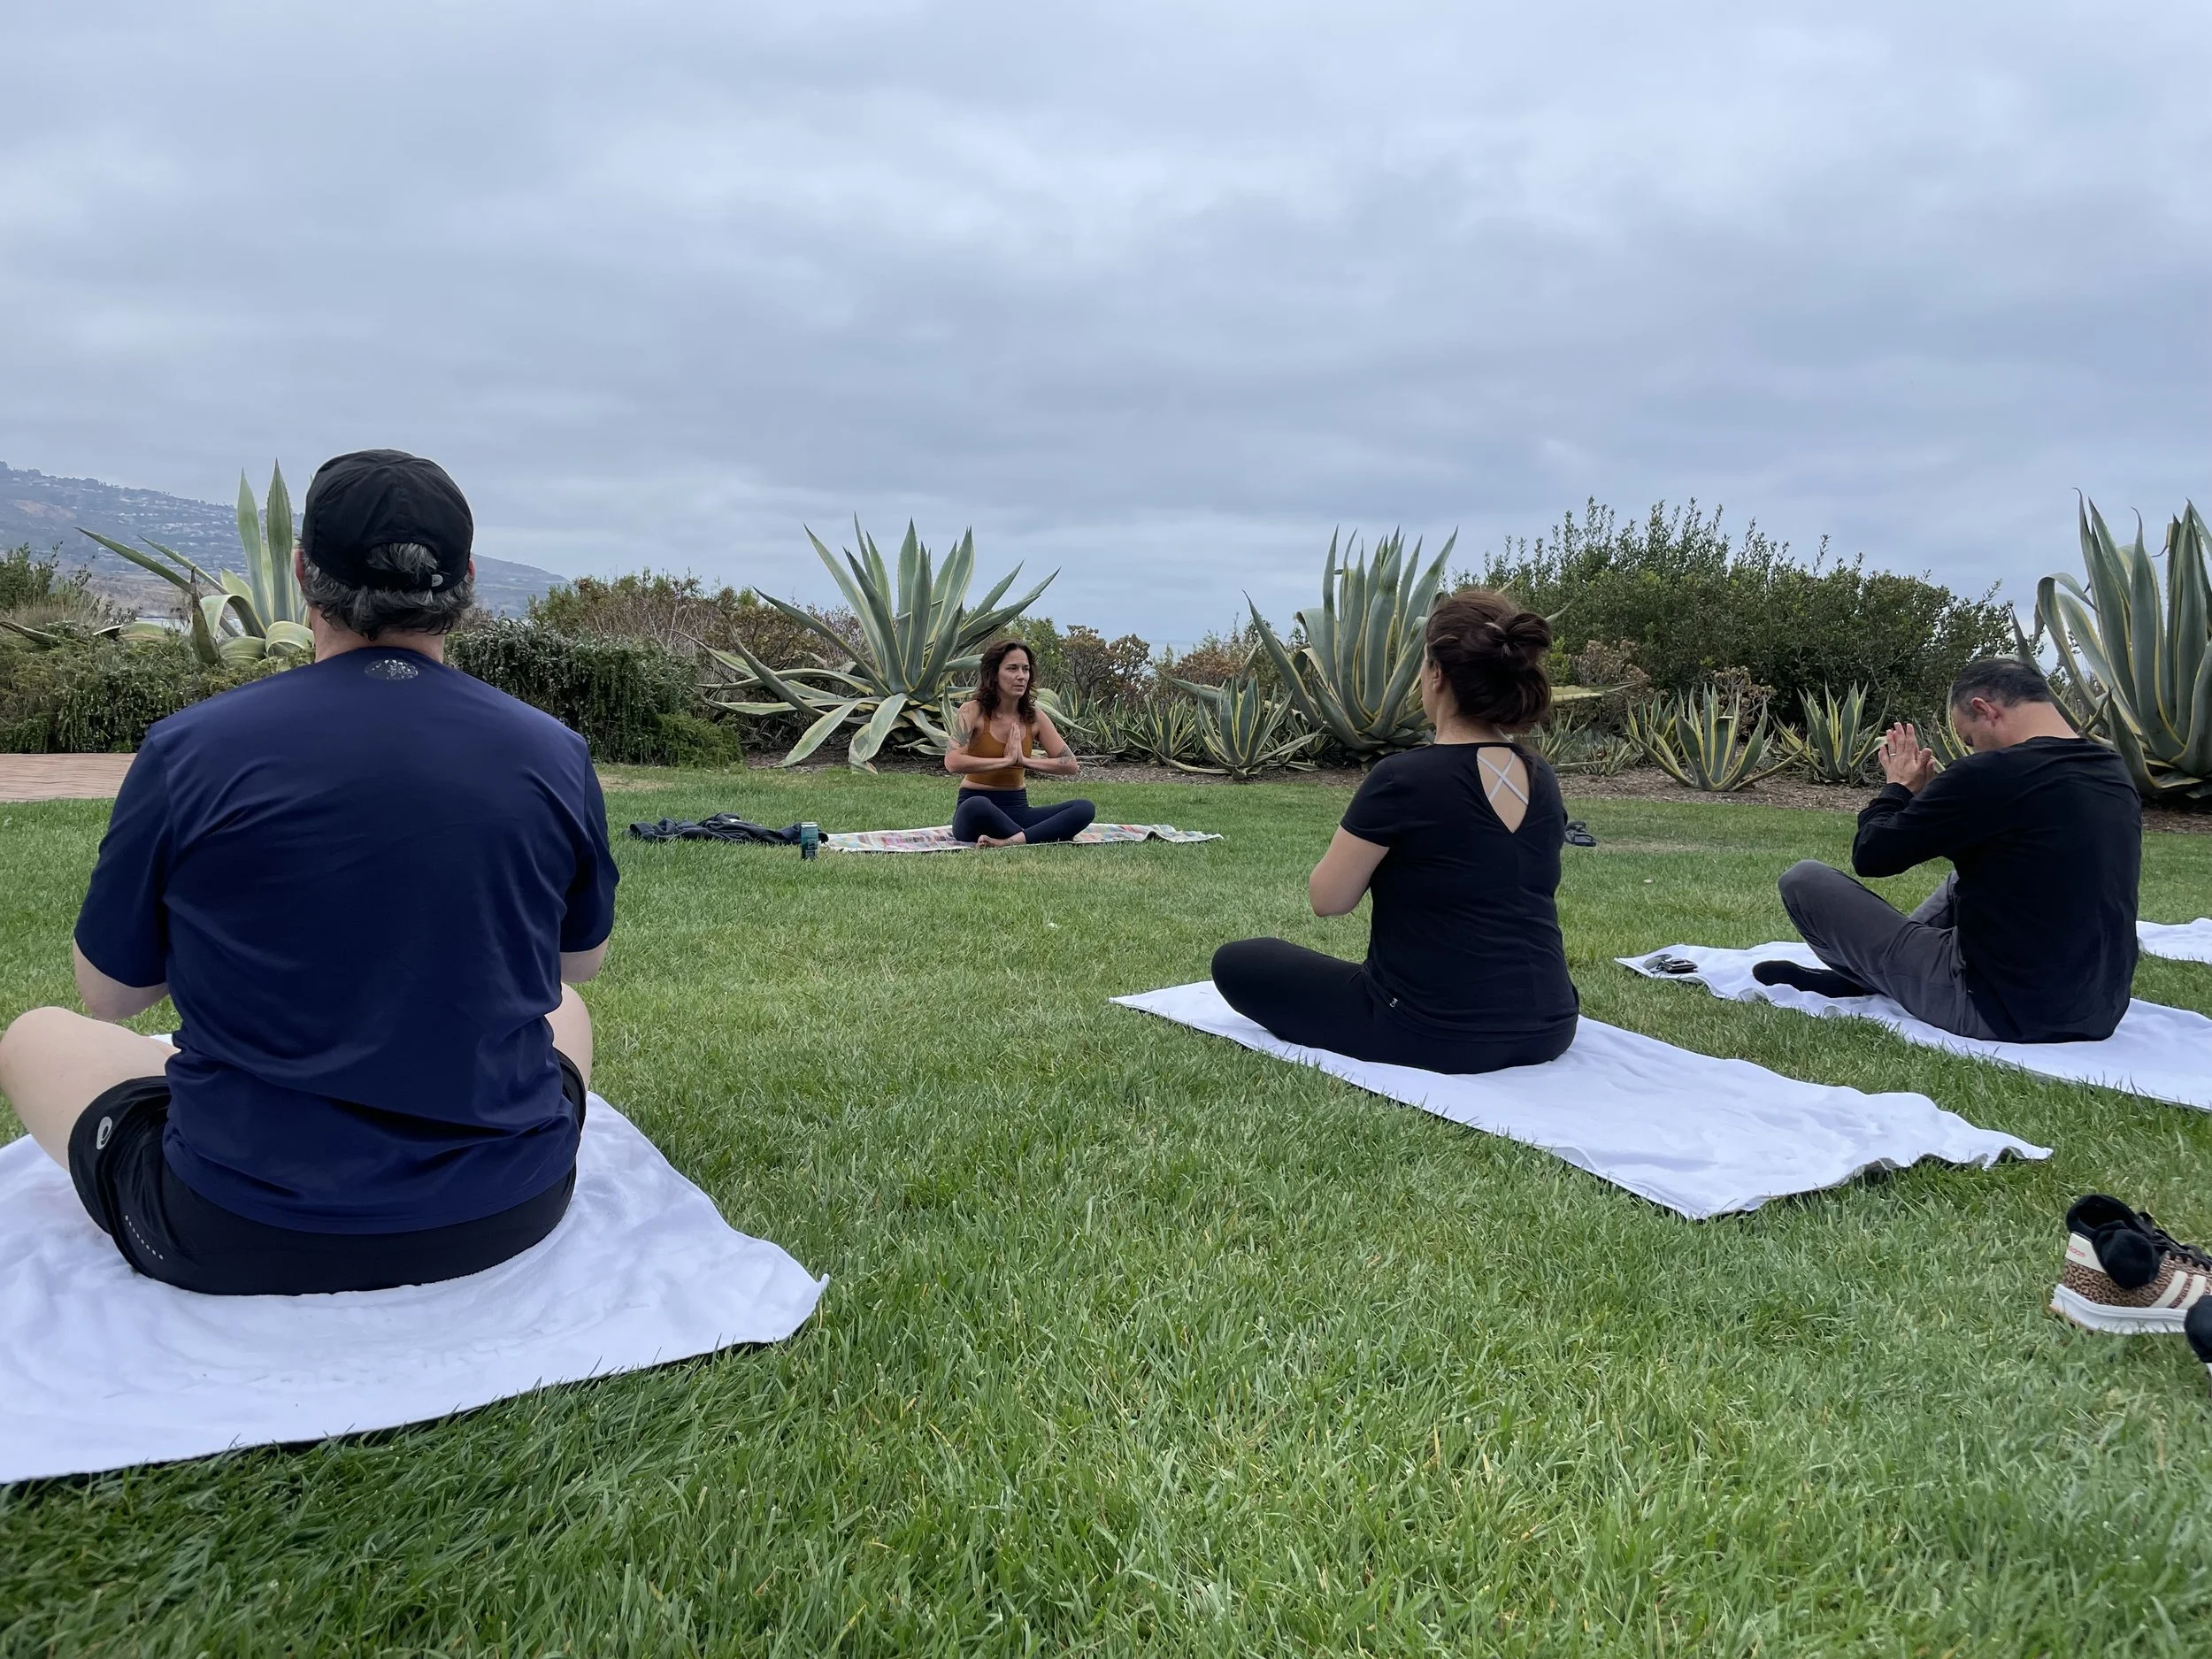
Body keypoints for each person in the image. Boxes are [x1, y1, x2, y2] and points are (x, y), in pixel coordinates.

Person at [0, 449, 618, 1296]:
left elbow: (110, 996)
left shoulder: (191, 749)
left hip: (233, 1225)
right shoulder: (554, 751)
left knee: (34, 1035)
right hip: (509, 1207)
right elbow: (573, 964)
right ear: (466, 580)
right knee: (570, 1008)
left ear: (301, 574)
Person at [1210, 589, 1579, 1072]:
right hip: (1552, 1025)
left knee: (1241, 961)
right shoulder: (1541, 776)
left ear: (1437, 674)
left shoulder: (1404, 778)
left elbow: (1328, 900)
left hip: (1434, 1031)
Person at [1761, 657, 2140, 1042]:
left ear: (1983, 709)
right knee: (1967, 873)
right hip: (2098, 1010)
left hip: (1997, 1009)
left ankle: (1867, 977)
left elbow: (1872, 855)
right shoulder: (2111, 769)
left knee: (1803, 880)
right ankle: (1871, 976)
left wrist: (1898, 790)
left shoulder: (1991, 773)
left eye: (1970, 740)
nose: (1973, 751)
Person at [944, 639, 1096, 847]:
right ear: (995, 674)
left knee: (1084, 808)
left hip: (1018, 810)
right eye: (1012, 668)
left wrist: (1024, 761)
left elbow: (1070, 764)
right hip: (977, 809)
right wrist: (1005, 761)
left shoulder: (1034, 717)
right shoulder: (973, 711)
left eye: (1025, 669)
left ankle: (1011, 841)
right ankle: (1034, 836)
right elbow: (952, 762)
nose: (1021, 676)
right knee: (976, 806)